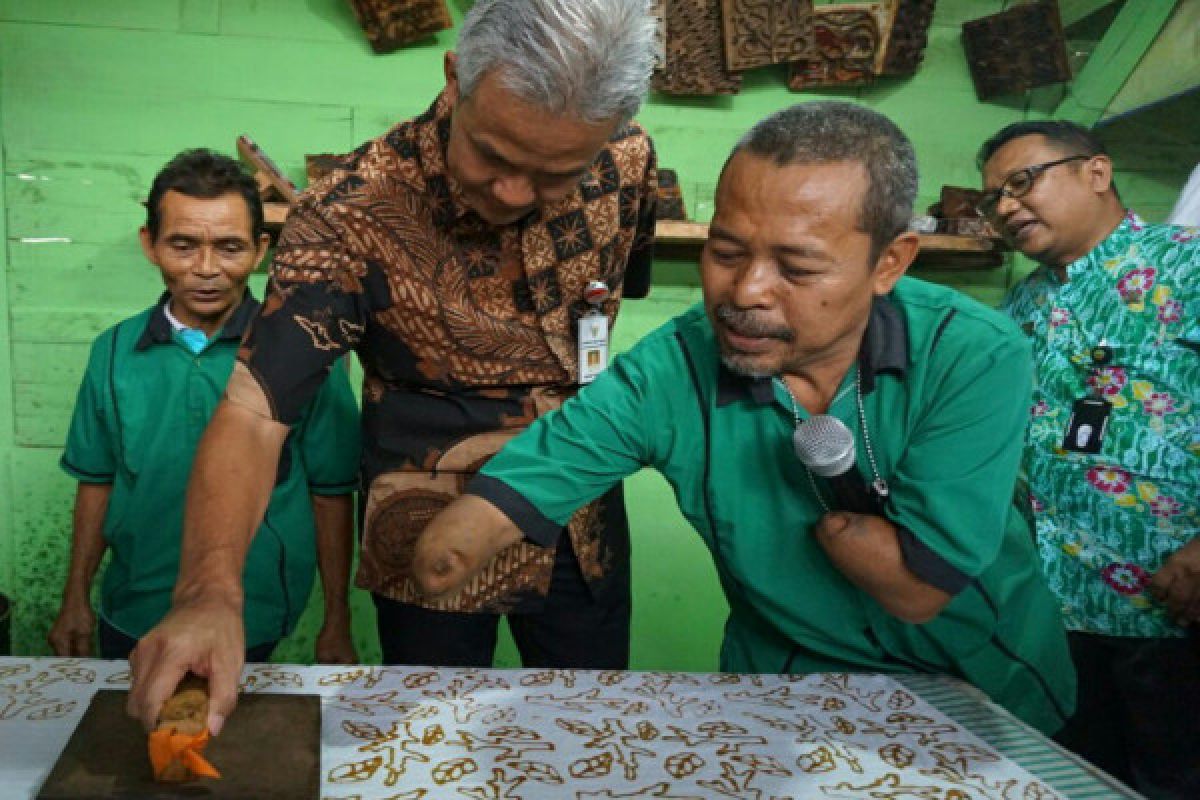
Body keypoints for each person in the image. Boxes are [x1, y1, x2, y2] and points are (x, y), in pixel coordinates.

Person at [412, 102, 1076, 735]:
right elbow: (526, 483)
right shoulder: (672, 367)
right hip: (785, 687)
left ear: (890, 262)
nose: (746, 291)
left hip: (979, 687)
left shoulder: (973, 352)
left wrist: (844, 532)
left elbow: (916, 590)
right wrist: (442, 556)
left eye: (798, 265)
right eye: (726, 253)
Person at [127, 0, 659, 733]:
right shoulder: (349, 211)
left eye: (554, 175)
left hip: (579, 515)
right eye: (494, 156)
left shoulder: (628, 161)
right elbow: (255, 414)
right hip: (424, 520)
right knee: (428, 738)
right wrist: (208, 594)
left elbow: (602, 312)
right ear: (454, 77)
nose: (512, 195)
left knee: (591, 727)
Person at [48, 149, 360, 664]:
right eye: (184, 245)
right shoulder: (112, 353)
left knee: (225, 737)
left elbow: (330, 495)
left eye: (230, 247)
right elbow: (97, 482)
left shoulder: (305, 356)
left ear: (261, 250)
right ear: (150, 244)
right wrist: (74, 596)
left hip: (254, 612)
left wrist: (337, 622)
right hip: (134, 605)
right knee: (137, 739)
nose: (207, 269)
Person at [979, 120, 1199, 798]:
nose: (1008, 207)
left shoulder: (1185, 266)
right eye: (994, 200)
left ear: (1096, 173)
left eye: (1021, 183)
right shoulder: (1024, 305)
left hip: (1171, 608)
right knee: (1076, 783)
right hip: (1057, 613)